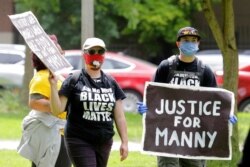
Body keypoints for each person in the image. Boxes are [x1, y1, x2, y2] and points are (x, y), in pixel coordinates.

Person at [138, 27, 218, 167]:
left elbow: (214, 102)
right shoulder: (166, 67)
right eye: (186, 40)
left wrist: (223, 116)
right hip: (167, 134)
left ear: (198, 44)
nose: (190, 43)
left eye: (194, 40)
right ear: (178, 44)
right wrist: (147, 108)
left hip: (194, 135)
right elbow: (154, 96)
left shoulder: (205, 71)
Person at [49, 37, 129, 167]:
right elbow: (57, 110)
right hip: (79, 139)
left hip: (104, 140)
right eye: (92, 51)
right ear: (84, 54)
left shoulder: (111, 82)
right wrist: (52, 85)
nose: (96, 55)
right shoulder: (74, 80)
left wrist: (124, 142)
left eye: (100, 51)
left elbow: (119, 117)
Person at [17, 34, 72, 167]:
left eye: (62, 52)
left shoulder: (56, 76)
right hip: (50, 135)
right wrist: (58, 106)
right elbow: (34, 102)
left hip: (61, 133)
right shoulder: (42, 77)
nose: (63, 54)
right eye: (60, 52)